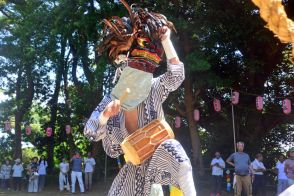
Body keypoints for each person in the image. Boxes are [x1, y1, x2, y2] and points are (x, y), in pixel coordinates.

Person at [84, 2, 196, 196]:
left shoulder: (152, 89)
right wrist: (104, 116)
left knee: (176, 152)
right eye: (122, 59)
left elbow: (176, 76)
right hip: (131, 172)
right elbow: (91, 132)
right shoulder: (110, 100)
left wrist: (166, 41)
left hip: (158, 161)